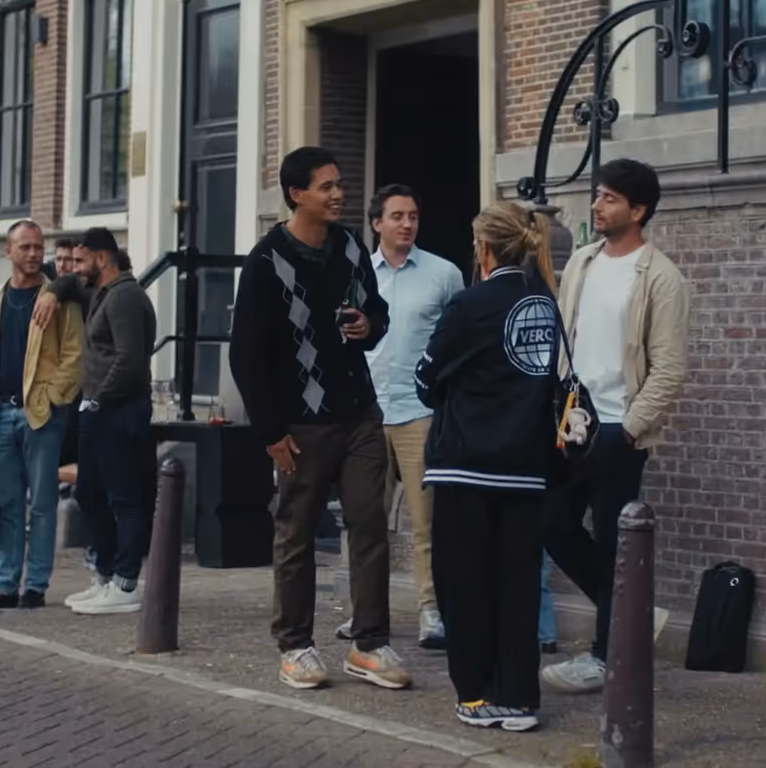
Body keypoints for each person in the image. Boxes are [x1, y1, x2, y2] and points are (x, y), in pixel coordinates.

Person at [229, 146, 409, 692]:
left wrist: (367, 324)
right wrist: (270, 432)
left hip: (359, 413)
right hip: (299, 424)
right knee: (297, 532)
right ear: (296, 194)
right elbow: (246, 354)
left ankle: (370, 644)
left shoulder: (352, 245)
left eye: (339, 183)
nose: (338, 193)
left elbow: (376, 311)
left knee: (370, 525)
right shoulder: (265, 262)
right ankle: (296, 646)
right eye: (326, 186)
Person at [414, 202, 564, 732]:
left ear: (482, 248)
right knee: (518, 586)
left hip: (468, 468)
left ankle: (476, 695)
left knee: (464, 585)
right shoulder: (545, 303)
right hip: (527, 467)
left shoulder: (469, 304)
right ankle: (520, 697)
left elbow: (425, 380)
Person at [542, 158, 688, 693]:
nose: (597, 206)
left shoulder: (661, 277)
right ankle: (629, 619)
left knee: (610, 543)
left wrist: (627, 430)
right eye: (596, 195)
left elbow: (671, 367)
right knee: (551, 522)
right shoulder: (581, 261)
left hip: (617, 432)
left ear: (638, 209)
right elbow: (566, 339)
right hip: (572, 423)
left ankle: (606, 656)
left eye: (608, 198)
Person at [335, 184, 463, 650]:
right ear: (376, 223)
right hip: (365, 415)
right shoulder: (355, 274)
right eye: (397, 216)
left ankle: (432, 611)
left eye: (412, 216)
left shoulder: (444, 275)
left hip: (419, 413)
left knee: (427, 521)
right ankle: (364, 613)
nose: (406, 224)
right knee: (363, 519)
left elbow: (458, 341)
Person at [0, 220, 83, 610]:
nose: (33, 254)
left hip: (41, 415)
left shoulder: (59, 299)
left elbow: (74, 356)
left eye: (38, 247)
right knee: (7, 503)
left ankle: (34, 586)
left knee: (43, 502)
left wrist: (51, 398)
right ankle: (4, 585)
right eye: (25, 247)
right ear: (9, 252)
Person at [45, 228, 158, 615]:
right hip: (99, 411)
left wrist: (97, 401)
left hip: (118, 411)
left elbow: (129, 360)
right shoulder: (104, 292)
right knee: (89, 493)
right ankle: (106, 575)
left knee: (125, 499)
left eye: (80, 261)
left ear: (102, 259)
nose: (74, 269)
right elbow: (69, 285)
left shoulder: (125, 297)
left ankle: (126, 583)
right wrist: (53, 290)